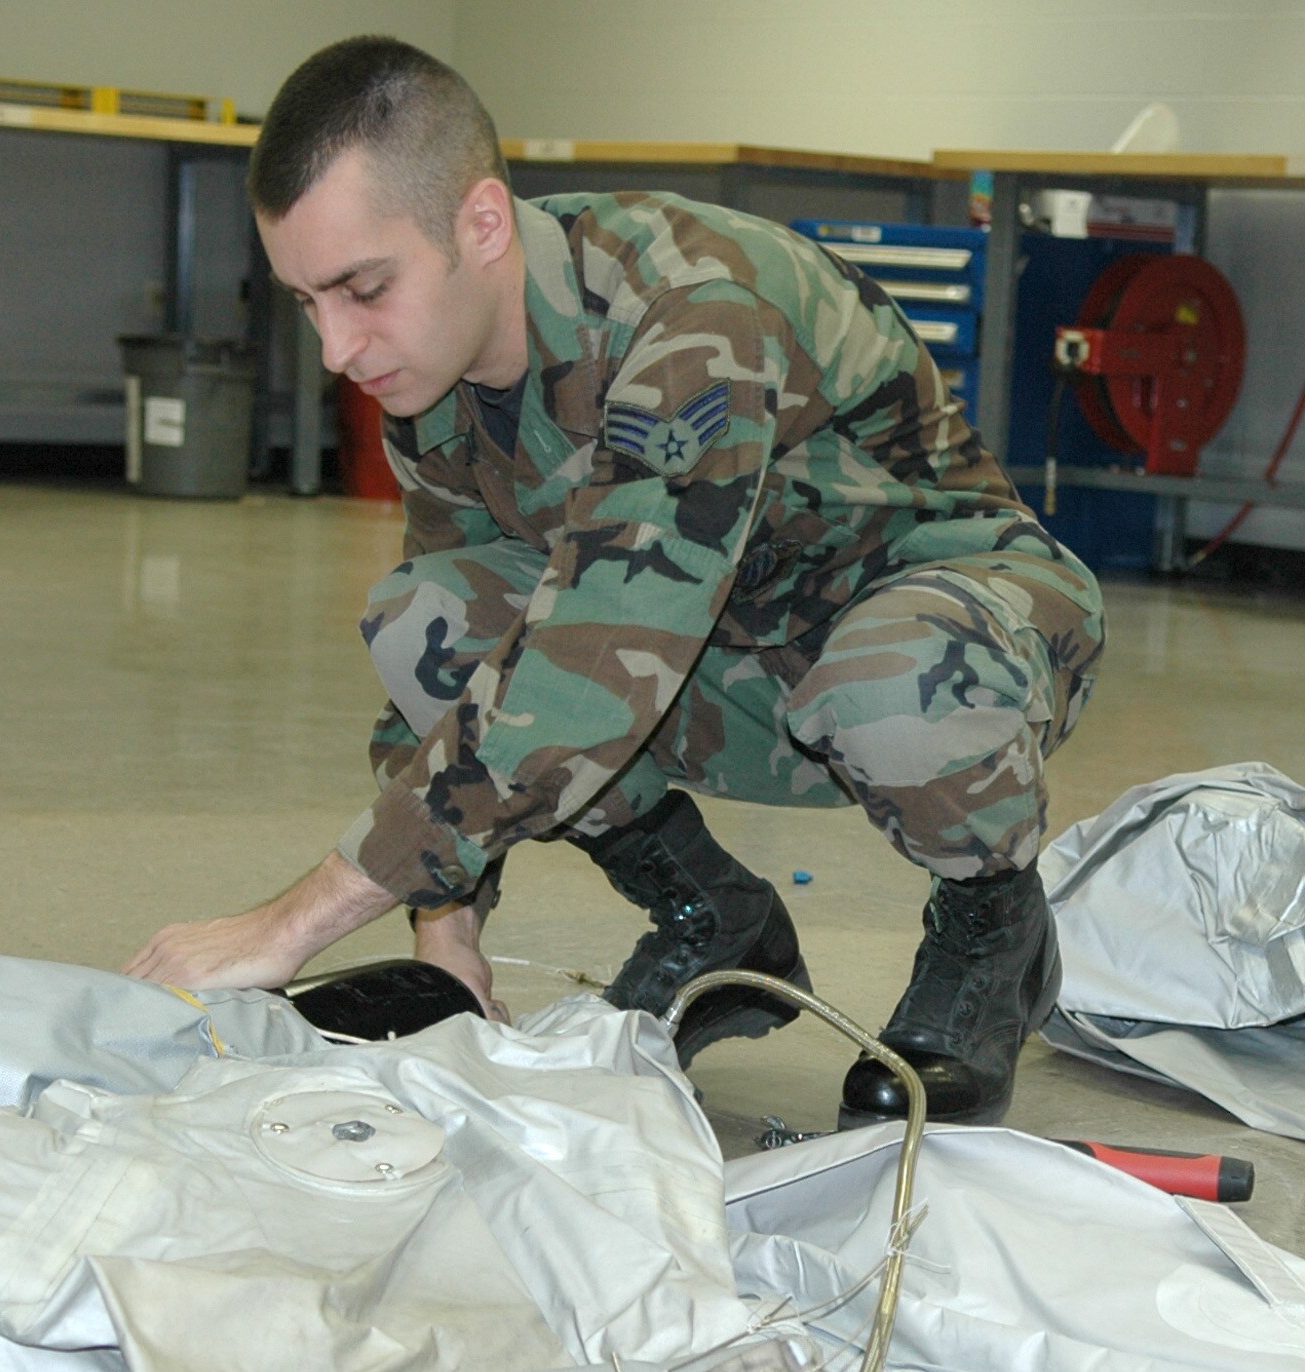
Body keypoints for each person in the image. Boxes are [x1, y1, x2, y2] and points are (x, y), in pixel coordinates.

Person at [124, 36, 1103, 1127]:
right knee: (424, 622)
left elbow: (593, 657)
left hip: (951, 623)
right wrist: (443, 938)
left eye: (361, 288)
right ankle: (712, 915)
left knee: (882, 687)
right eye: (308, 303)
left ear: (481, 224)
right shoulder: (433, 375)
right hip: (725, 654)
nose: (339, 349)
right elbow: (472, 661)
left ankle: (990, 925)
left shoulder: (692, 312)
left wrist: (291, 924)